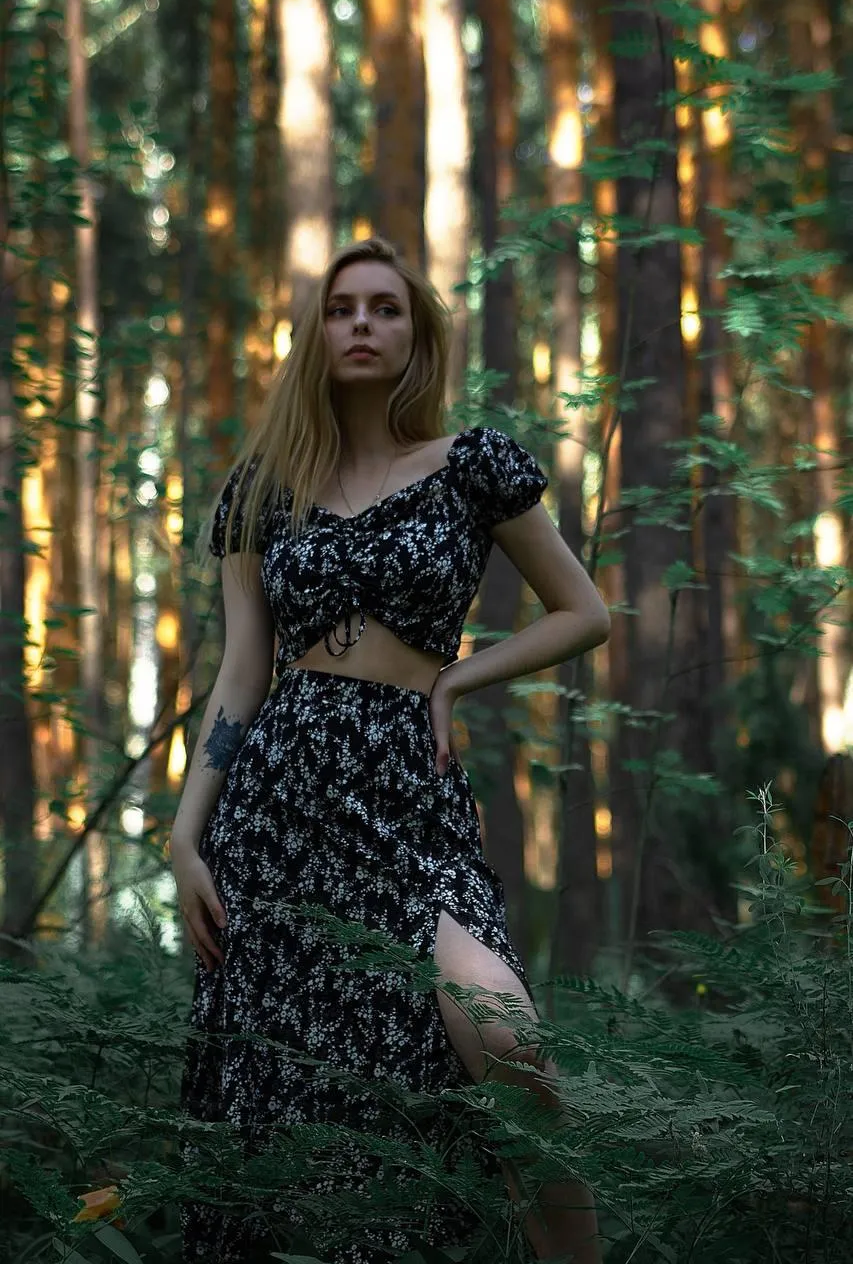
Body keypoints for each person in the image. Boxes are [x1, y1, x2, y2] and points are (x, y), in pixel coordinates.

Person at [170, 236, 610, 1264]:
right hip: (278, 804)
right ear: (317, 335)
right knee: (289, 1086)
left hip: (408, 791)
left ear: (417, 334)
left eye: (384, 308)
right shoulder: (263, 489)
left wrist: (455, 678)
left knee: (503, 1035)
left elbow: (583, 612)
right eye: (341, 309)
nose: (361, 324)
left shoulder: (472, 465)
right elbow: (241, 673)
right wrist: (185, 835)